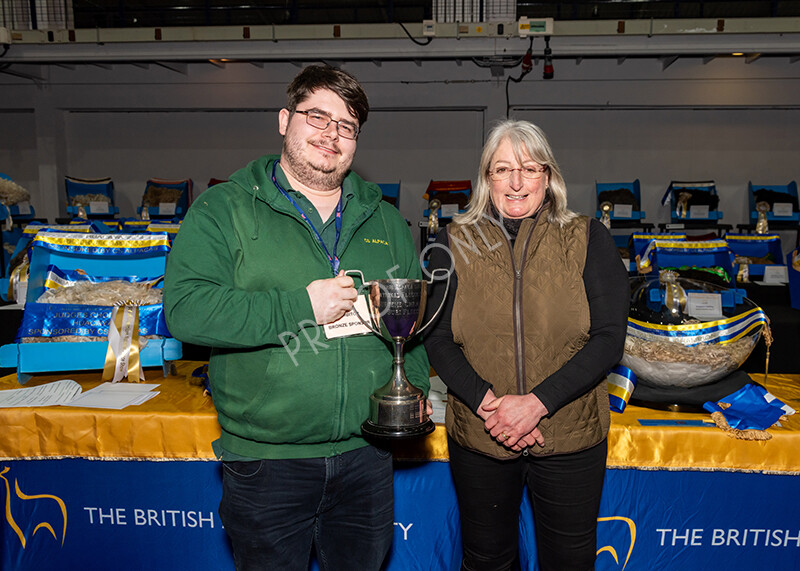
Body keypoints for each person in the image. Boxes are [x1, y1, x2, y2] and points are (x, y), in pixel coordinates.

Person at [163, 65, 429, 571]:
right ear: (284, 120)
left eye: (346, 126)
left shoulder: (388, 222)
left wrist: (410, 393)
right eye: (317, 117)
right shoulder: (224, 210)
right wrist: (300, 306)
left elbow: (408, 326)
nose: (331, 134)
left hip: (366, 459)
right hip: (267, 464)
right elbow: (186, 310)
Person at [423, 120, 629, 571]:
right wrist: (489, 405)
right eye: (502, 170)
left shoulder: (588, 237)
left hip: (569, 436)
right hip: (482, 434)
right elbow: (435, 337)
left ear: (548, 176)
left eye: (529, 168)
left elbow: (610, 338)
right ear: (486, 180)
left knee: (569, 561)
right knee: (487, 560)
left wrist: (537, 403)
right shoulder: (453, 242)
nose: (516, 182)